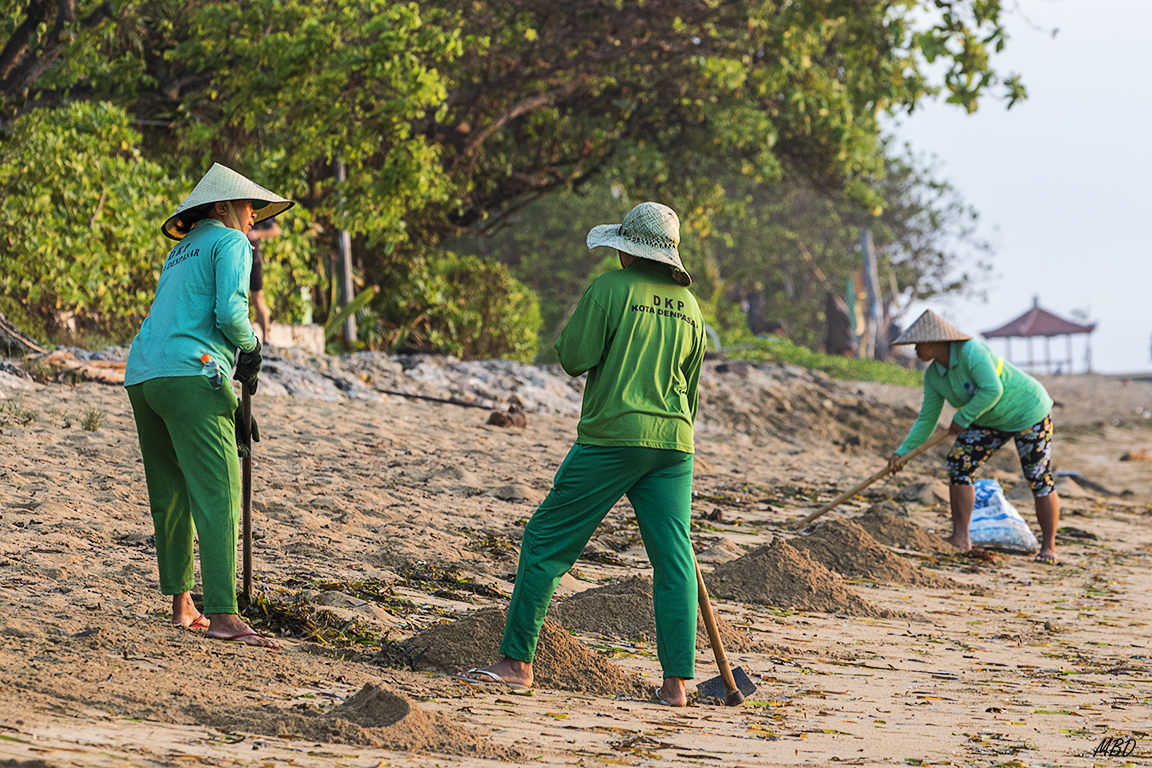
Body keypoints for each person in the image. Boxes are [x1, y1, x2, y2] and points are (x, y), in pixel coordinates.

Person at [458, 202, 707, 706]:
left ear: (628, 251)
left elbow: (572, 357)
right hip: (675, 445)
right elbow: (691, 389)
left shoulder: (610, 288)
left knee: (544, 540)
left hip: (613, 437)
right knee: (674, 560)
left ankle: (517, 663)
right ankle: (677, 685)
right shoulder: (691, 307)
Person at [124, 163, 293, 647]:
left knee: (171, 492)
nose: (254, 216)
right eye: (249, 206)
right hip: (191, 372)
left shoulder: (179, 251)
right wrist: (253, 348)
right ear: (222, 206)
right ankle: (223, 615)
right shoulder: (232, 242)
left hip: (143, 373)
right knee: (220, 491)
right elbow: (230, 314)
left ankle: (183, 605)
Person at [886, 310, 1061, 564]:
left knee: (1037, 475)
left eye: (918, 344)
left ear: (935, 342)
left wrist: (963, 417)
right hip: (990, 420)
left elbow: (992, 389)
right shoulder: (934, 376)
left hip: (1027, 410)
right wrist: (903, 453)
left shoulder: (971, 352)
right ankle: (960, 537)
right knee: (959, 463)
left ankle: (1049, 547)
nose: (914, 349)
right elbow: (926, 419)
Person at [246, 219, 281, 341]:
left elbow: (276, 231)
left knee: (257, 299)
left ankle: (266, 338)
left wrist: (257, 234)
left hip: (254, 260)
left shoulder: (256, 213)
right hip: (237, 259)